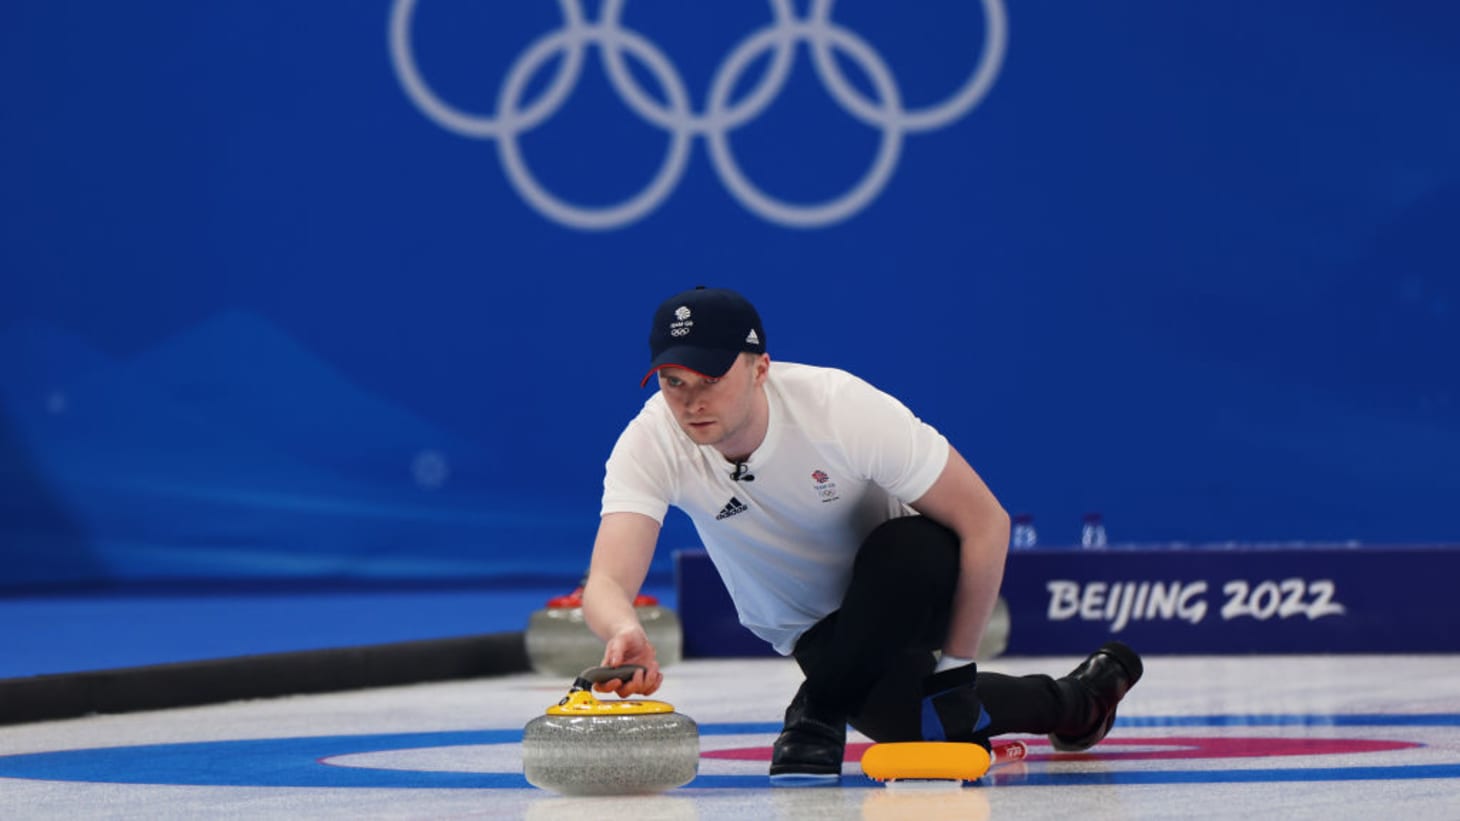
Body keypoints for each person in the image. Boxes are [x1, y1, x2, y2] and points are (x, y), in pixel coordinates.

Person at [582, 286, 1142, 784]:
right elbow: (607, 580)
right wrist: (623, 627)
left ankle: (817, 708)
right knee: (915, 724)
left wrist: (956, 667)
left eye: (712, 379)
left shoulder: (837, 408)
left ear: (760, 368)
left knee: (907, 549)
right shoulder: (651, 440)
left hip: (915, 586)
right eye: (674, 383)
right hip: (816, 628)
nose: (691, 402)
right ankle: (1081, 702)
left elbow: (985, 521)